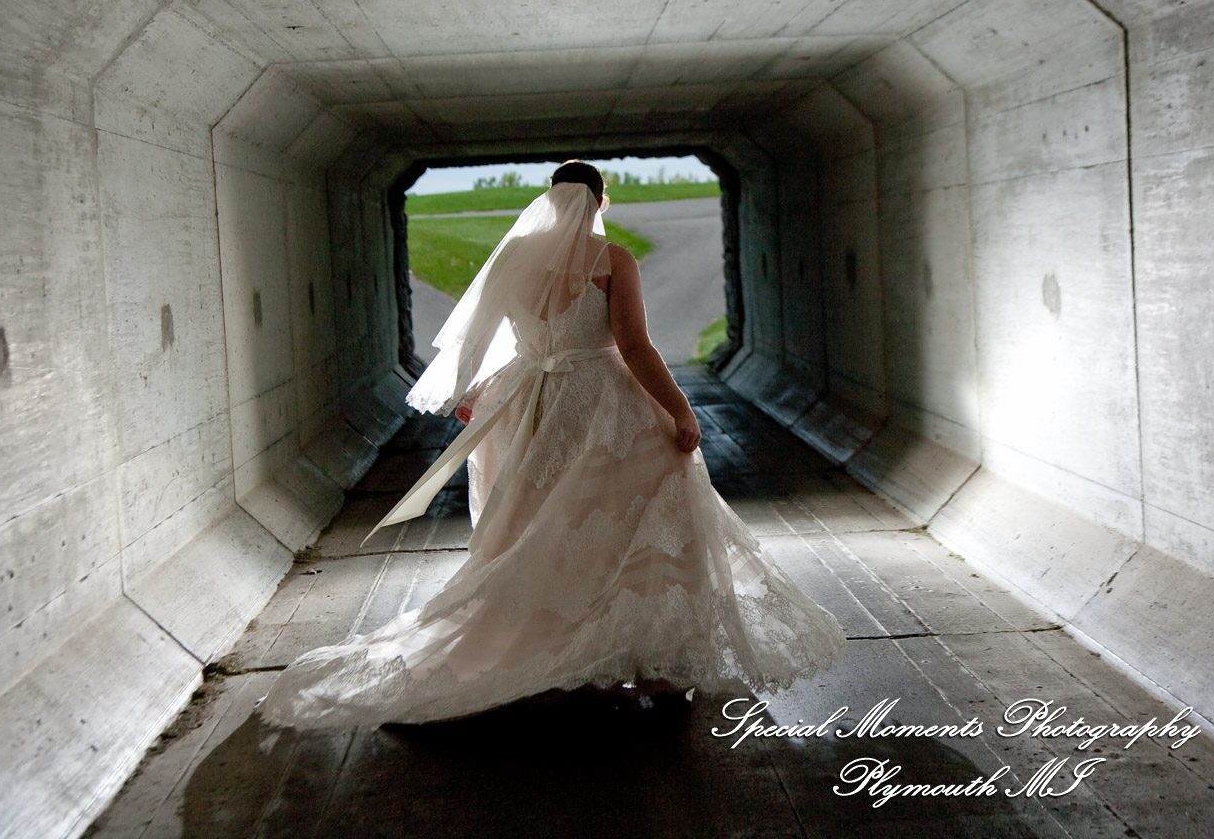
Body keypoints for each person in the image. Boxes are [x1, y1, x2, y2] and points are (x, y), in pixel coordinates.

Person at [256, 161, 845, 729]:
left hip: (531, 399)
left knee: (546, 524)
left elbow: (488, 336)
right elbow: (634, 346)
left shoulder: (512, 257)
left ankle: (580, 664)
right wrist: (680, 409)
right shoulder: (612, 259)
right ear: (600, 201)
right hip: (603, 400)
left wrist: (478, 389)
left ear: (548, 198)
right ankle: (655, 667)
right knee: (642, 516)